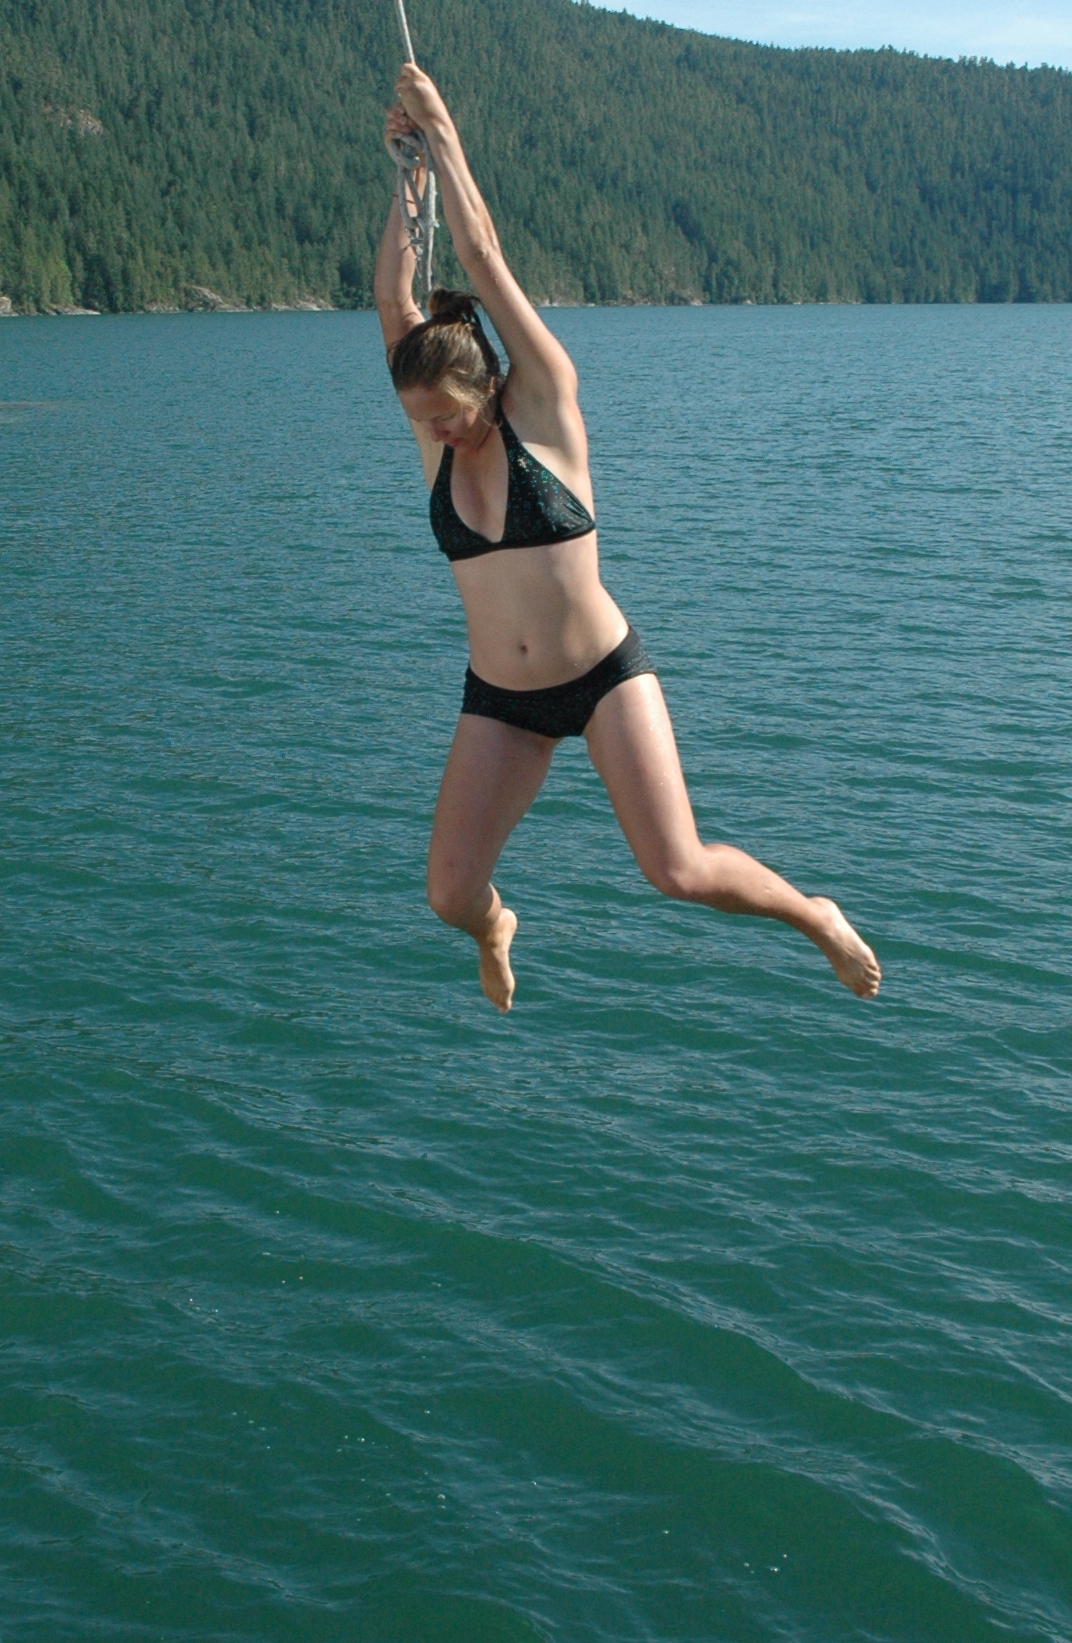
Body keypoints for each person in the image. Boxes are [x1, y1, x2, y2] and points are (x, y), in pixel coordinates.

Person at [375, 63, 881, 1015]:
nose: (432, 433)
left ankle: (815, 915)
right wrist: (405, 178)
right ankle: (497, 927)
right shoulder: (432, 426)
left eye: (443, 416)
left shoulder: (547, 406)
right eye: (419, 422)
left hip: (602, 676)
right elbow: (395, 301)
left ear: (486, 385)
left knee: (677, 870)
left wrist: (444, 131)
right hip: (502, 698)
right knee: (448, 894)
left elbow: (480, 254)